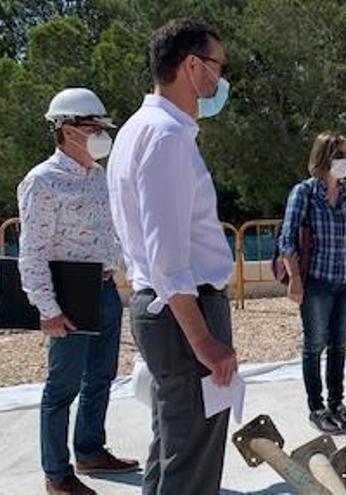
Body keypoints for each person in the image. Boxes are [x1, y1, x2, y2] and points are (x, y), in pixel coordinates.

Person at [106, 19, 237, 494]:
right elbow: (168, 257)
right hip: (185, 312)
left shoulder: (138, 130)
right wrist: (206, 342)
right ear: (192, 66)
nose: (220, 80)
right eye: (218, 66)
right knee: (193, 464)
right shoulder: (166, 137)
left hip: (165, 309)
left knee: (172, 449)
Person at [18, 87, 139, 495]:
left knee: (101, 376)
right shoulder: (42, 182)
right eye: (95, 127)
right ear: (68, 130)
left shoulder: (98, 176)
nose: (103, 135)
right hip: (67, 295)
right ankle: (57, 473)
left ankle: (89, 450)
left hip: (103, 289)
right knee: (62, 387)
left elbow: (112, 232)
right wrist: (47, 309)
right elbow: (31, 253)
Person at [279, 131, 346, 434]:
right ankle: (316, 407)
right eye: (338, 154)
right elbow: (287, 240)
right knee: (314, 345)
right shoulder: (303, 193)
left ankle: (337, 404)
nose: (345, 161)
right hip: (317, 282)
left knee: (339, 346)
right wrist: (294, 280)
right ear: (323, 158)